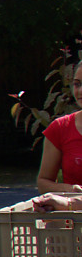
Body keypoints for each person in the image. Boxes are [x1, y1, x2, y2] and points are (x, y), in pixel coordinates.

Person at [36, 60, 82, 203]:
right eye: (77, 84)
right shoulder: (60, 128)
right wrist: (70, 190)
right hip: (72, 215)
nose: (80, 91)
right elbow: (43, 182)